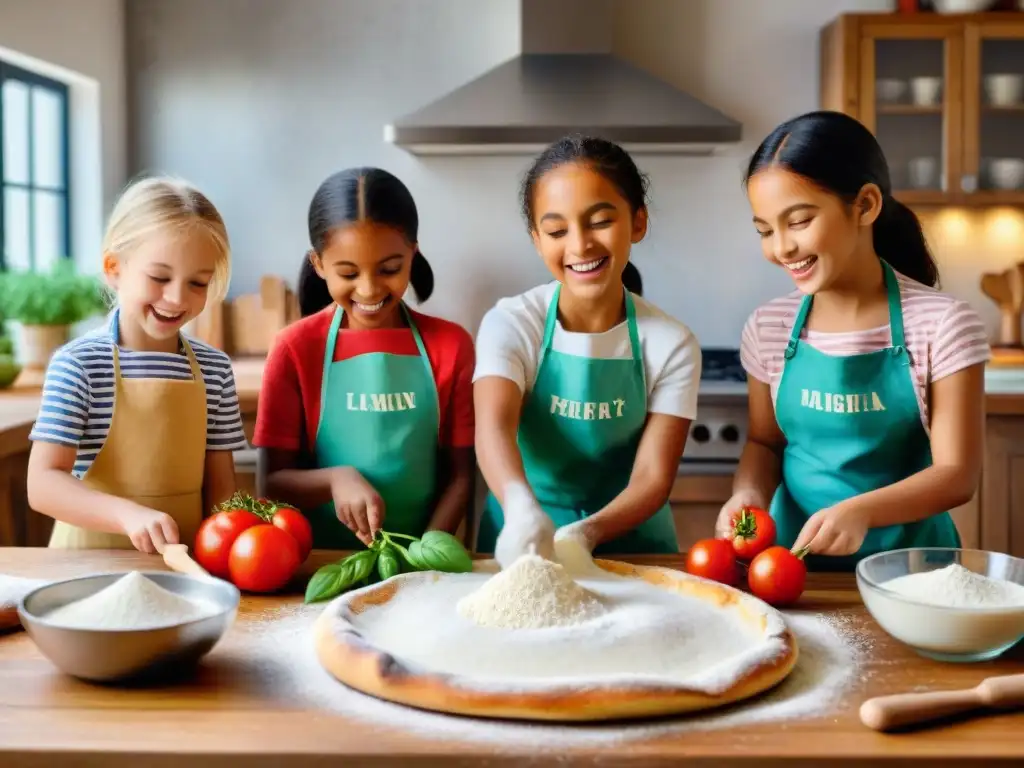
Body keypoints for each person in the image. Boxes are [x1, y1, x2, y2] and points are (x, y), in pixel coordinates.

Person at [717, 110, 990, 571]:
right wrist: (748, 493)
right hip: (792, 568)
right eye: (765, 230)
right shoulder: (768, 327)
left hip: (913, 568)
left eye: (799, 221)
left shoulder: (942, 324)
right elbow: (765, 443)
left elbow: (957, 475)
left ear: (864, 205)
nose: (781, 248)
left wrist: (861, 511)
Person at [474, 135, 702, 557]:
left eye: (600, 221)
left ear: (638, 222)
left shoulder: (671, 343)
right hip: (521, 545)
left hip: (634, 548)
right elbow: (493, 429)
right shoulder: (511, 323)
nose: (580, 245)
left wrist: (584, 534)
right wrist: (521, 510)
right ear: (537, 239)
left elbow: (652, 479)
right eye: (557, 230)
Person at [253, 167, 476, 549]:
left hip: (418, 563)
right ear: (319, 264)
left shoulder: (450, 346)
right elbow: (271, 484)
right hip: (316, 563)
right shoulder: (295, 348)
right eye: (348, 273)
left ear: (412, 253)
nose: (370, 289)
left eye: (389, 269)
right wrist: (336, 478)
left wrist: (427, 554)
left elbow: (461, 476)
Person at [27, 176, 247, 553]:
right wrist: (126, 515)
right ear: (114, 267)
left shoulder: (215, 370)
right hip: (85, 570)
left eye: (198, 283)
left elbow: (221, 488)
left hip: (184, 569)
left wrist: (231, 558)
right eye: (159, 277)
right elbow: (43, 484)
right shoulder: (78, 366)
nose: (177, 298)